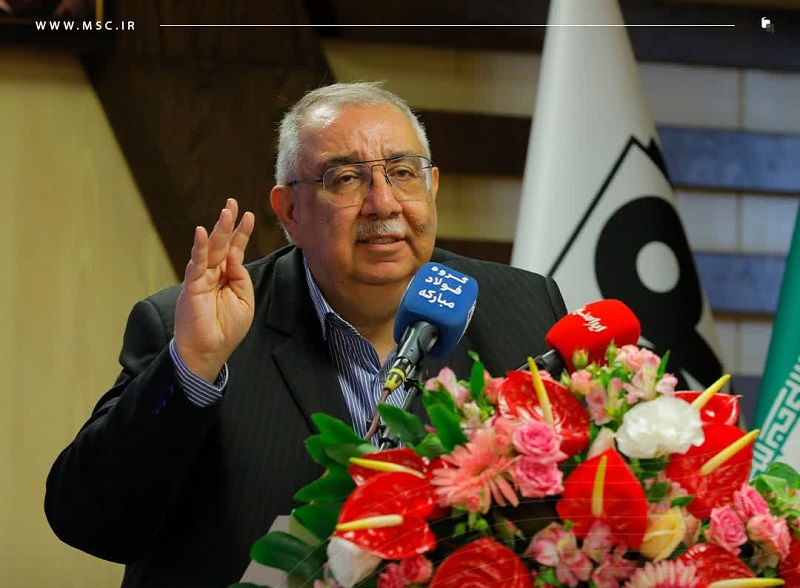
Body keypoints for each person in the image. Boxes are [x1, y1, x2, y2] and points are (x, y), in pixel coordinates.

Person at [45, 82, 568, 587]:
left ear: (431, 188)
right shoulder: (201, 326)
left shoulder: (520, 306)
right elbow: (92, 523)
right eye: (346, 178)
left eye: (403, 173)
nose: (383, 203)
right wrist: (193, 367)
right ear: (290, 212)